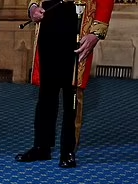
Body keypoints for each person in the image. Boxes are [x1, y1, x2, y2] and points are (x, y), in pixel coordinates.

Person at [15, 0, 113, 169]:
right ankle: (42, 146)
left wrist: (96, 34)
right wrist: (33, 8)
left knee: (72, 93)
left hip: (77, 23)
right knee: (46, 91)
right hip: (48, 22)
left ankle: (68, 150)